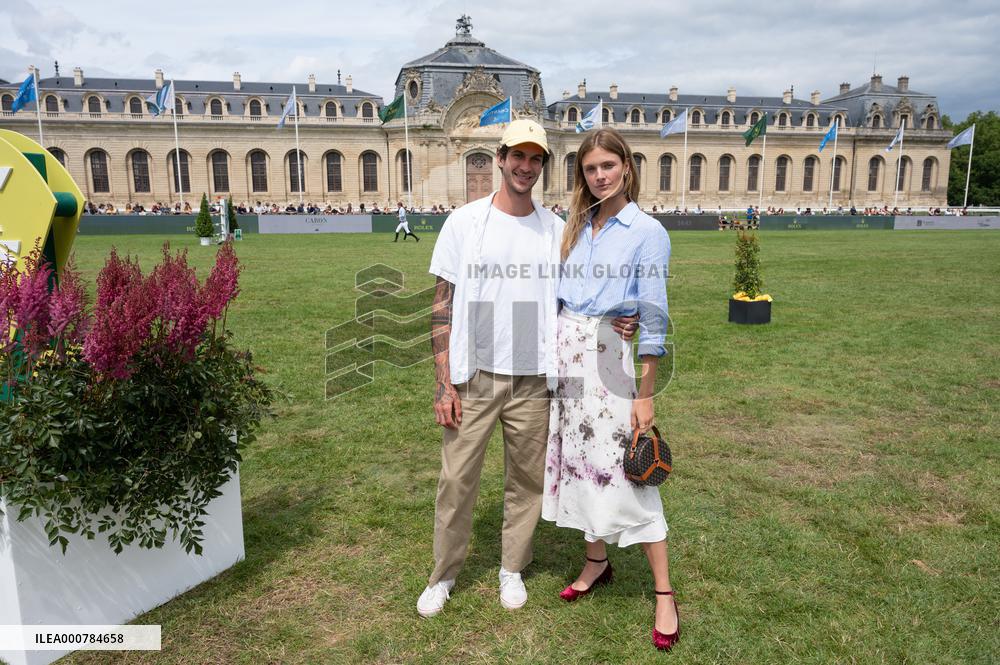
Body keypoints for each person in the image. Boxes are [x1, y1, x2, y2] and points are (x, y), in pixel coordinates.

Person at [417, 119, 638, 618]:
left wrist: (618, 319)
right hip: (473, 377)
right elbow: (440, 305)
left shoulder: (556, 229)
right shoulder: (464, 222)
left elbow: (582, 294)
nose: (526, 166)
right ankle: (444, 574)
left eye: (535, 158)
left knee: (527, 482)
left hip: (535, 379)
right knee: (456, 482)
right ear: (500, 158)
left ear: (542, 165)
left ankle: (511, 568)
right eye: (517, 155)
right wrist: (442, 384)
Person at [541, 127, 679, 652]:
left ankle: (664, 592)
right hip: (566, 356)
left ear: (626, 166)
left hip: (608, 358)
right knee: (579, 463)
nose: (599, 176)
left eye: (607, 166)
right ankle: (596, 561)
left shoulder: (646, 232)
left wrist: (645, 394)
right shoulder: (576, 224)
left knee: (631, 471)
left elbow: (654, 318)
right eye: (590, 169)